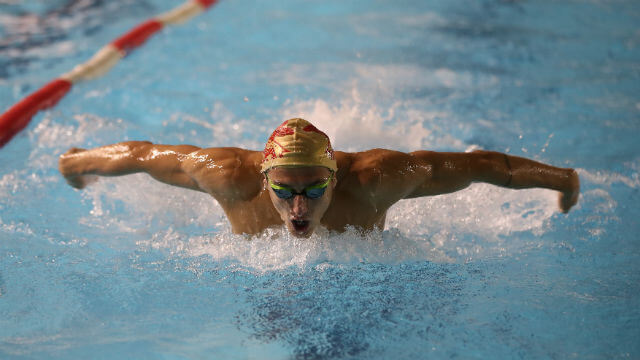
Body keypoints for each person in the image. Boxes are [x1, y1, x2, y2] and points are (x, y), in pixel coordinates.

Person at [59, 118, 579, 237]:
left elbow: (483, 167)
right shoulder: (225, 176)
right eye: (284, 192)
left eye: (314, 190)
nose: (298, 208)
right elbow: (144, 155)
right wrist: (79, 163)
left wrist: (561, 180)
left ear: (336, 179)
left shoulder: (379, 178)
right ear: (263, 181)